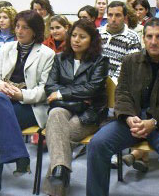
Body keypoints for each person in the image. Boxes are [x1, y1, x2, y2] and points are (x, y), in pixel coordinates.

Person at [87, 18, 159, 196]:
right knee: (97, 144)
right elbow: (122, 93)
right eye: (149, 36)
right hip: (131, 120)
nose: (153, 41)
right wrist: (128, 117)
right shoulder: (130, 61)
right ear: (144, 38)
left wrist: (153, 121)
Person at [0, 10, 55, 196]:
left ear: (35, 31)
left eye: (25, 28)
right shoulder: (7, 48)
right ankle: (19, 155)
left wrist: (21, 95)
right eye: (18, 26)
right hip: (3, 100)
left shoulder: (47, 54)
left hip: (30, 106)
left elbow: (44, 91)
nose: (19, 31)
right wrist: (0, 84)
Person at [42, 19, 108, 196]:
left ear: (92, 40)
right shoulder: (60, 58)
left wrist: (62, 94)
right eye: (74, 35)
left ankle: (55, 188)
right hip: (66, 108)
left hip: (90, 113)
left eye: (82, 37)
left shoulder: (100, 61)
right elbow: (50, 87)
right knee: (56, 114)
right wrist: (77, 98)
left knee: (60, 135)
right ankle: (61, 170)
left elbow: (92, 89)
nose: (76, 40)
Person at [99, 1, 141, 81]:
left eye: (118, 15)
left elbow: (129, 66)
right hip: (95, 81)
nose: (113, 19)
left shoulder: (132, 37)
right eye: (110, 15)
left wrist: (111, 84)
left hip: (119, 84)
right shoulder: (97, 33)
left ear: (125, 17)